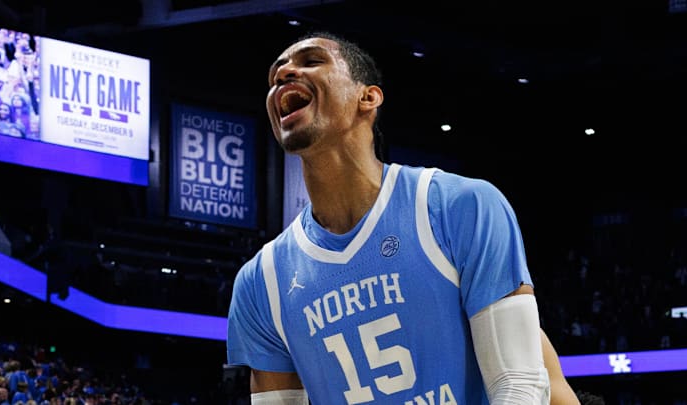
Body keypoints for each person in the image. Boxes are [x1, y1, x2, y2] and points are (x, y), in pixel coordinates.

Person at [227, 31, 565, 404]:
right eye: (275, 76)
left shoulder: (460, 207)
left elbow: (520, 384)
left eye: (310, 61)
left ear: (367, 97)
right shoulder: (261, 282)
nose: (284, 75)